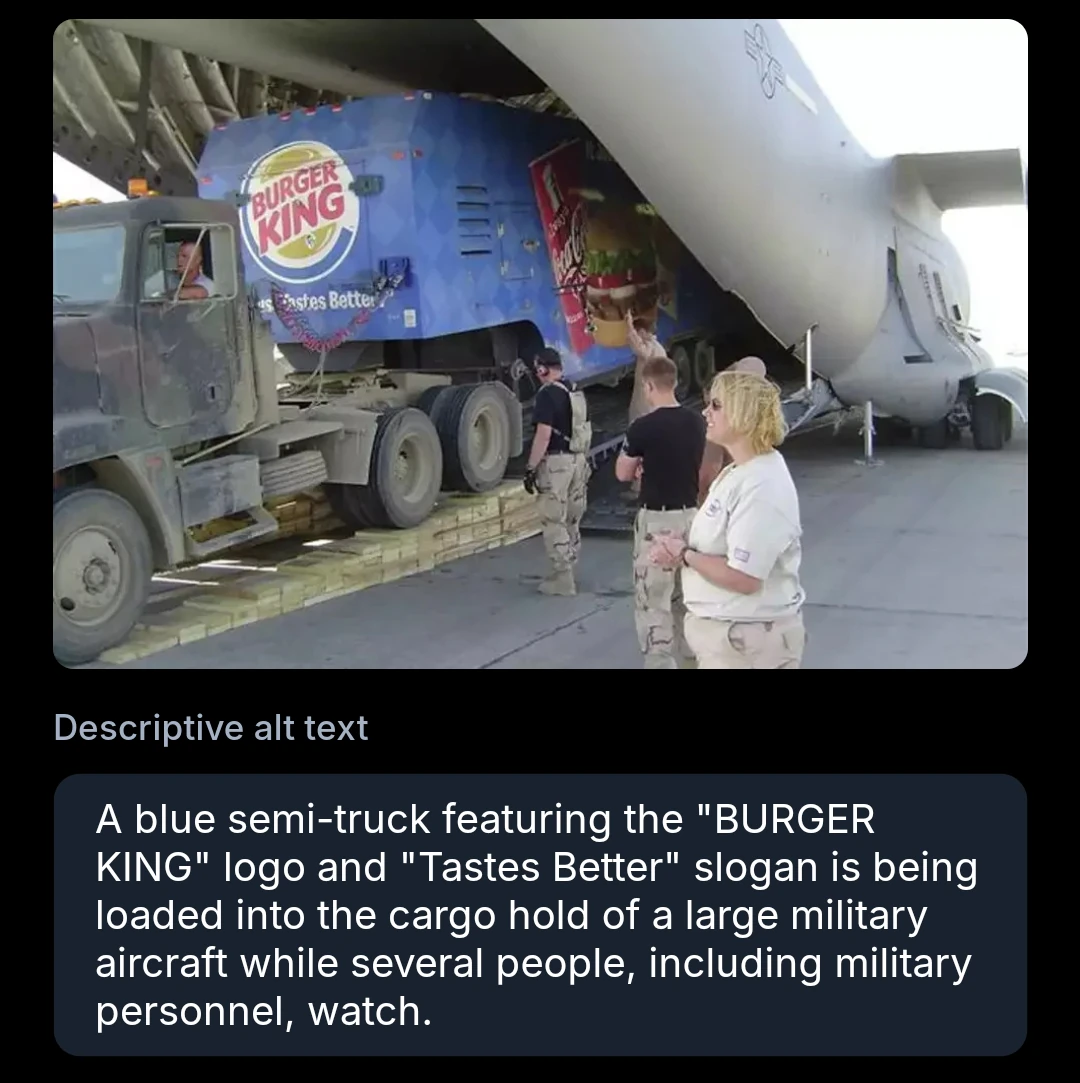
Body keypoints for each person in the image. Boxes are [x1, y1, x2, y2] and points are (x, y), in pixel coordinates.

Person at [647, 368, 806, 669]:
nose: (706, 412)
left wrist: (684, 555)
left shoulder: (762, 486)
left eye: (717, 405)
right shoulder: (740, 472)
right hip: (734, 642)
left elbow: (744, 578)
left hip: (747, 645)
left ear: (743, 414)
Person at [615, 353, 707, 669]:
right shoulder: (698, 422)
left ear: (648, 386)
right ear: (676, 383)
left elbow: (622, 473)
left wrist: (641, 464)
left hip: (656, 520)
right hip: (692, 518)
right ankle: (692, 661)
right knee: (688, 599)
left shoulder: (642, 428)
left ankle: (659, 663)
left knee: (653, 601)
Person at [523, 347, 592, 596]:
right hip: (578, 461)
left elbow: (543, 435)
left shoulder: (547, 395)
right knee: (572, 519)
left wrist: (531, 467)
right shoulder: (575, 390)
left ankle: (563, 579)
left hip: (556, 465)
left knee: (553, 519)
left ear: (542, 368)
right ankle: (569, 568)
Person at [697, 356, 768, 504]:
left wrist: (701, 503)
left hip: (726, 500)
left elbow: (708, 475)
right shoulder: (752, 420)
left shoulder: (719, 428)